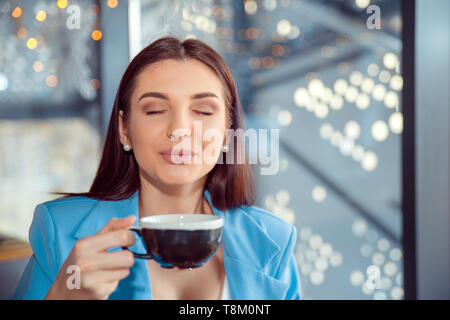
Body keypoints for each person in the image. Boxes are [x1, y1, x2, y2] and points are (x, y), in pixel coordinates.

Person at [12, 36, 302, 300]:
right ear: (124, 129)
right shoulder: (60, 230)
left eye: (202, 111)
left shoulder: (272, 241)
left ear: (228, 133)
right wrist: (63, 294)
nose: (179, 130)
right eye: (155, 110)